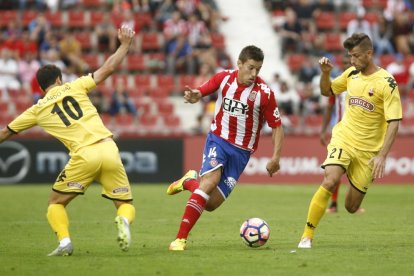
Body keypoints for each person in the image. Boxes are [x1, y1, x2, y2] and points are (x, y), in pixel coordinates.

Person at [0, 26, 137, 256]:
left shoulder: (37, 109)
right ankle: (123, 221)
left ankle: (65, 243)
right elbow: (108, 68)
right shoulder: (76, 85)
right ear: (59, 79)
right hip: (108, 147)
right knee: (125, 203)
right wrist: (124, 44)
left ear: (42, 87)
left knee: (55, 203)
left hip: (83, 155)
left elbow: (5, 132)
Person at [166, 45, 284, 251]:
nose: (254, 74)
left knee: (210, 203)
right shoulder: (224, 79)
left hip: (241, 153)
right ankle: (180, 239)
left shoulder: (264, 93)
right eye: (250, 68)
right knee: (209, 182)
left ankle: (189, 182)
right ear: (239, 63)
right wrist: (196, 95)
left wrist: (276, 157)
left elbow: (277, 126)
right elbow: (204, 89)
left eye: (258, 69)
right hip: (218, 140)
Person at [298, 33, 402, 249]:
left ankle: (352, 184)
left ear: (369, 54)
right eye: (350, 56)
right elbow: (326, 91)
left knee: (351, 207)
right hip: (344, 138)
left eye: (355, 56)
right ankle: (306, 236)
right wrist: (325, 74)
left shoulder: (387, 83)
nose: (352, 61)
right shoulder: (351, 74)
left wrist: (382, 155)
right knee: (330, 179)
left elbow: (394, 121)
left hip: (369, 152)